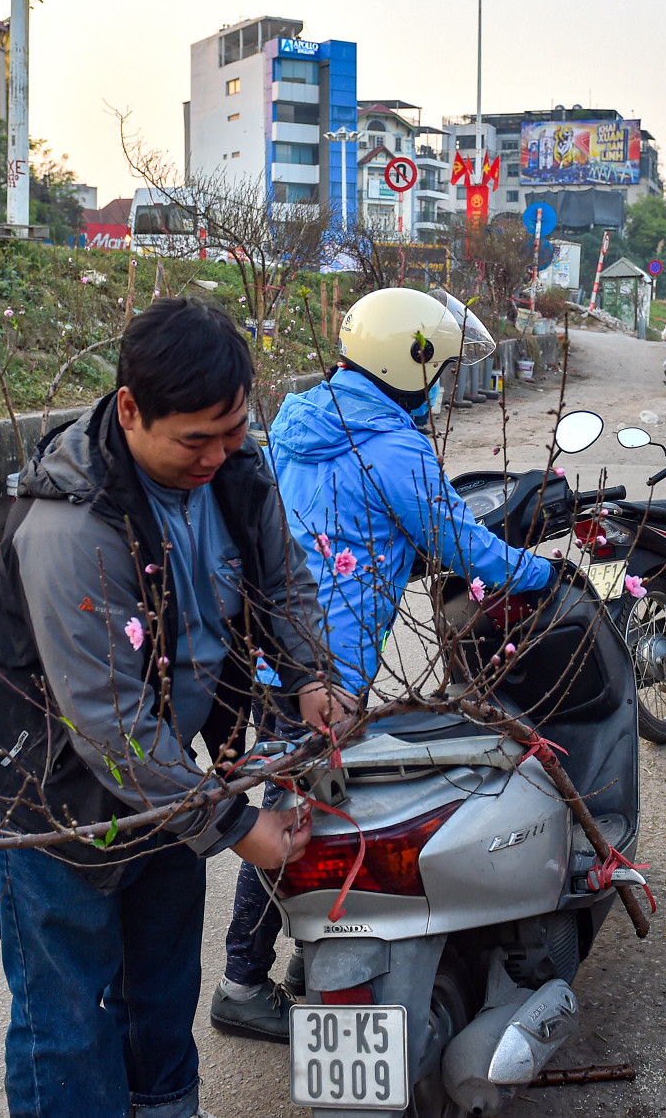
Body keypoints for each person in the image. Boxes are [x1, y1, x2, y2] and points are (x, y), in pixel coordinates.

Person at [0, 296, 338, 1118]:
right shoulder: (72, 523)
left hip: (169, 776)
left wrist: (311, 675)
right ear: (130, 409)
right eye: (196, 438)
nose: (219, 453)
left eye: (232, 429)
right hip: (47, 794)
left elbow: (284, 582)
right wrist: (238, 826)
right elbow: (110, 722)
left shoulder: (237, 470)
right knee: (65, 1013)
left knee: (161, 988)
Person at [207, 286, 554, 1041]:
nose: (443, 385)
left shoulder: (304, 419)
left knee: (307, 805)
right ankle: (240, 979)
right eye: (441, 370)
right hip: (327, 667)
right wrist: (544, 574)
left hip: (275, 649)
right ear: (411, 363)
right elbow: (466, 547)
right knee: (302, 814)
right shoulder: (393, 448)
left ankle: (308, 959)